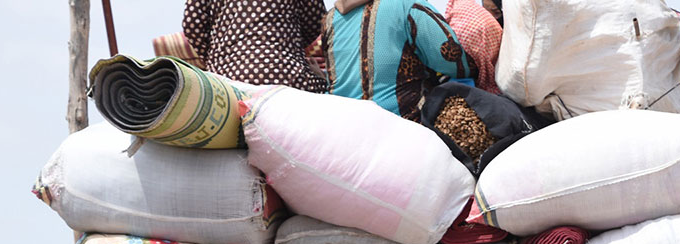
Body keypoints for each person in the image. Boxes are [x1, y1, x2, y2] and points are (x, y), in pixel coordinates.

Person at [322, 0, 474, 119]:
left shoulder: (331, 18)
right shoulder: (408, 6)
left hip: (342, 126)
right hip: (399, 123)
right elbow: (454, 62)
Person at [183, 0, 329, 91]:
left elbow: (192, 25)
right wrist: (291, 46)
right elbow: (316, 20)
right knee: (327, 89)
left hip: (226, 80)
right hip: (288, 75)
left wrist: (216, 58)